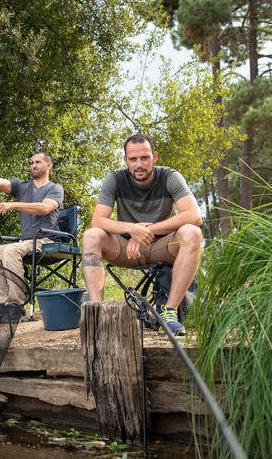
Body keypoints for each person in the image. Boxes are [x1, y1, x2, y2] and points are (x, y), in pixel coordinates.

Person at [81, 133, 202, 335]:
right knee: (91, 235)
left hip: (162, 247)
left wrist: (147, 230)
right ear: (125, 160)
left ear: (154, 157)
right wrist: (131, 229)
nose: (139, 164)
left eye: (144, 158)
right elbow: (98, 220)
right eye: (133, 159)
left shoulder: (170, 176)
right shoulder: (115, 178)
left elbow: (194, 215)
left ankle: (170, 312)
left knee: (191, 232)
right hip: (125, 249)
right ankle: (99, 313)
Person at [0, 152, 64, 323]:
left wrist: (14, 205)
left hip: (46, 241)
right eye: (32, 162)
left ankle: (17, 306)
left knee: (11, 251)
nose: (33, 165)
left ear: (49, 166)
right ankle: (2, 306)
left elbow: (44, 208)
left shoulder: (54, 188)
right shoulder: (23, 186)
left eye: (38, 162)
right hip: (26, 242)